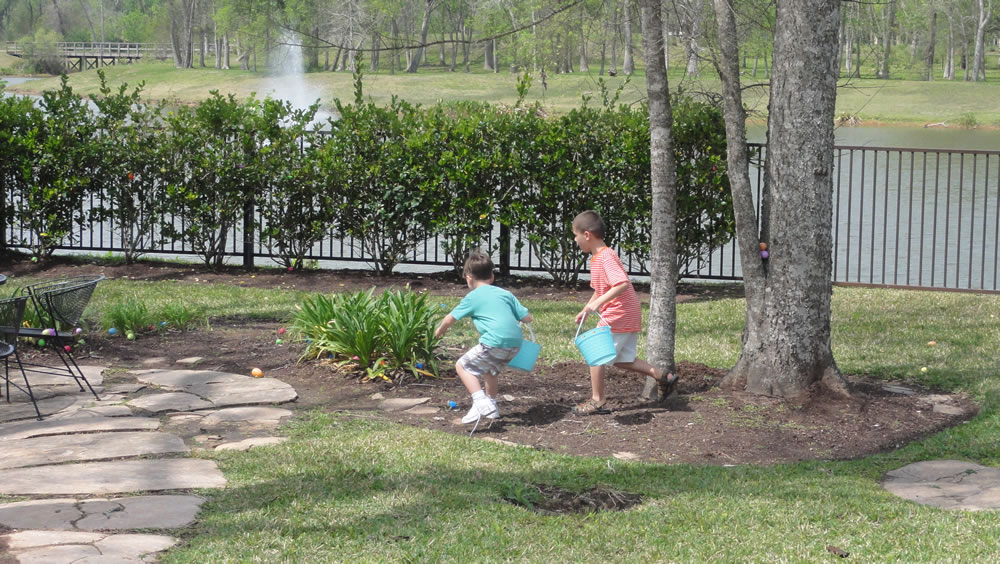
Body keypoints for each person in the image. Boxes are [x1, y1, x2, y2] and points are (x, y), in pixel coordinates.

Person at [571, 210, 678, 415]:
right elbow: (600, 289)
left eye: (575, 235)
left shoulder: (606, 257)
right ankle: (663, 376)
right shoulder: (597, 258)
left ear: (587, 235)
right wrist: (587, 308)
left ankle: (597, 400)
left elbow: (621, 284)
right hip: (626, 312)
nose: (575, 241)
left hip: (618, 313)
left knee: (595, 354)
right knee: (622, 359)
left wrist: (598, 304)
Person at [435, 251, 533, 425]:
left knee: (463, 366)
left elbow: (450, 318)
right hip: (515, 344)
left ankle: (480, 401)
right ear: (492, 277)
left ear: (469, 278)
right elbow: (527, 318)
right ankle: (491, 407)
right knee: (490, 371)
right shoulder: (506, 294)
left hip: (494, 342)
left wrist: (439, 331)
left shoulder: (473, 297)